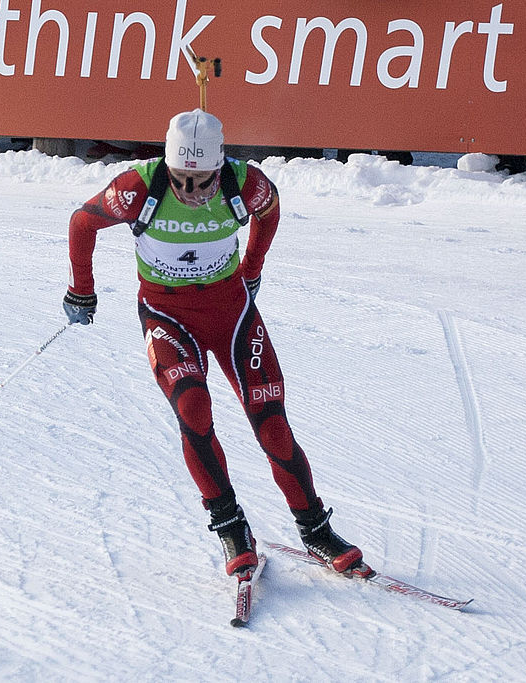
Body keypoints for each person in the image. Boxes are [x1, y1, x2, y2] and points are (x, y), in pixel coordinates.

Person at [62, 109, 365, 577]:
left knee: (272, 423)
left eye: (204, 181)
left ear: (220, 167)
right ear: (168, 166)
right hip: (167, 313)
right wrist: (81, 289)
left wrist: (253, 268)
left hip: (232, 312)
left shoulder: (245, 185)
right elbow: (83, 222)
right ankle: (229, 525)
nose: (193, 193)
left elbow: (271, 211)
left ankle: (315, 531)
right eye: (182, 179)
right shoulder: (137, 188)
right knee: (194, 409)